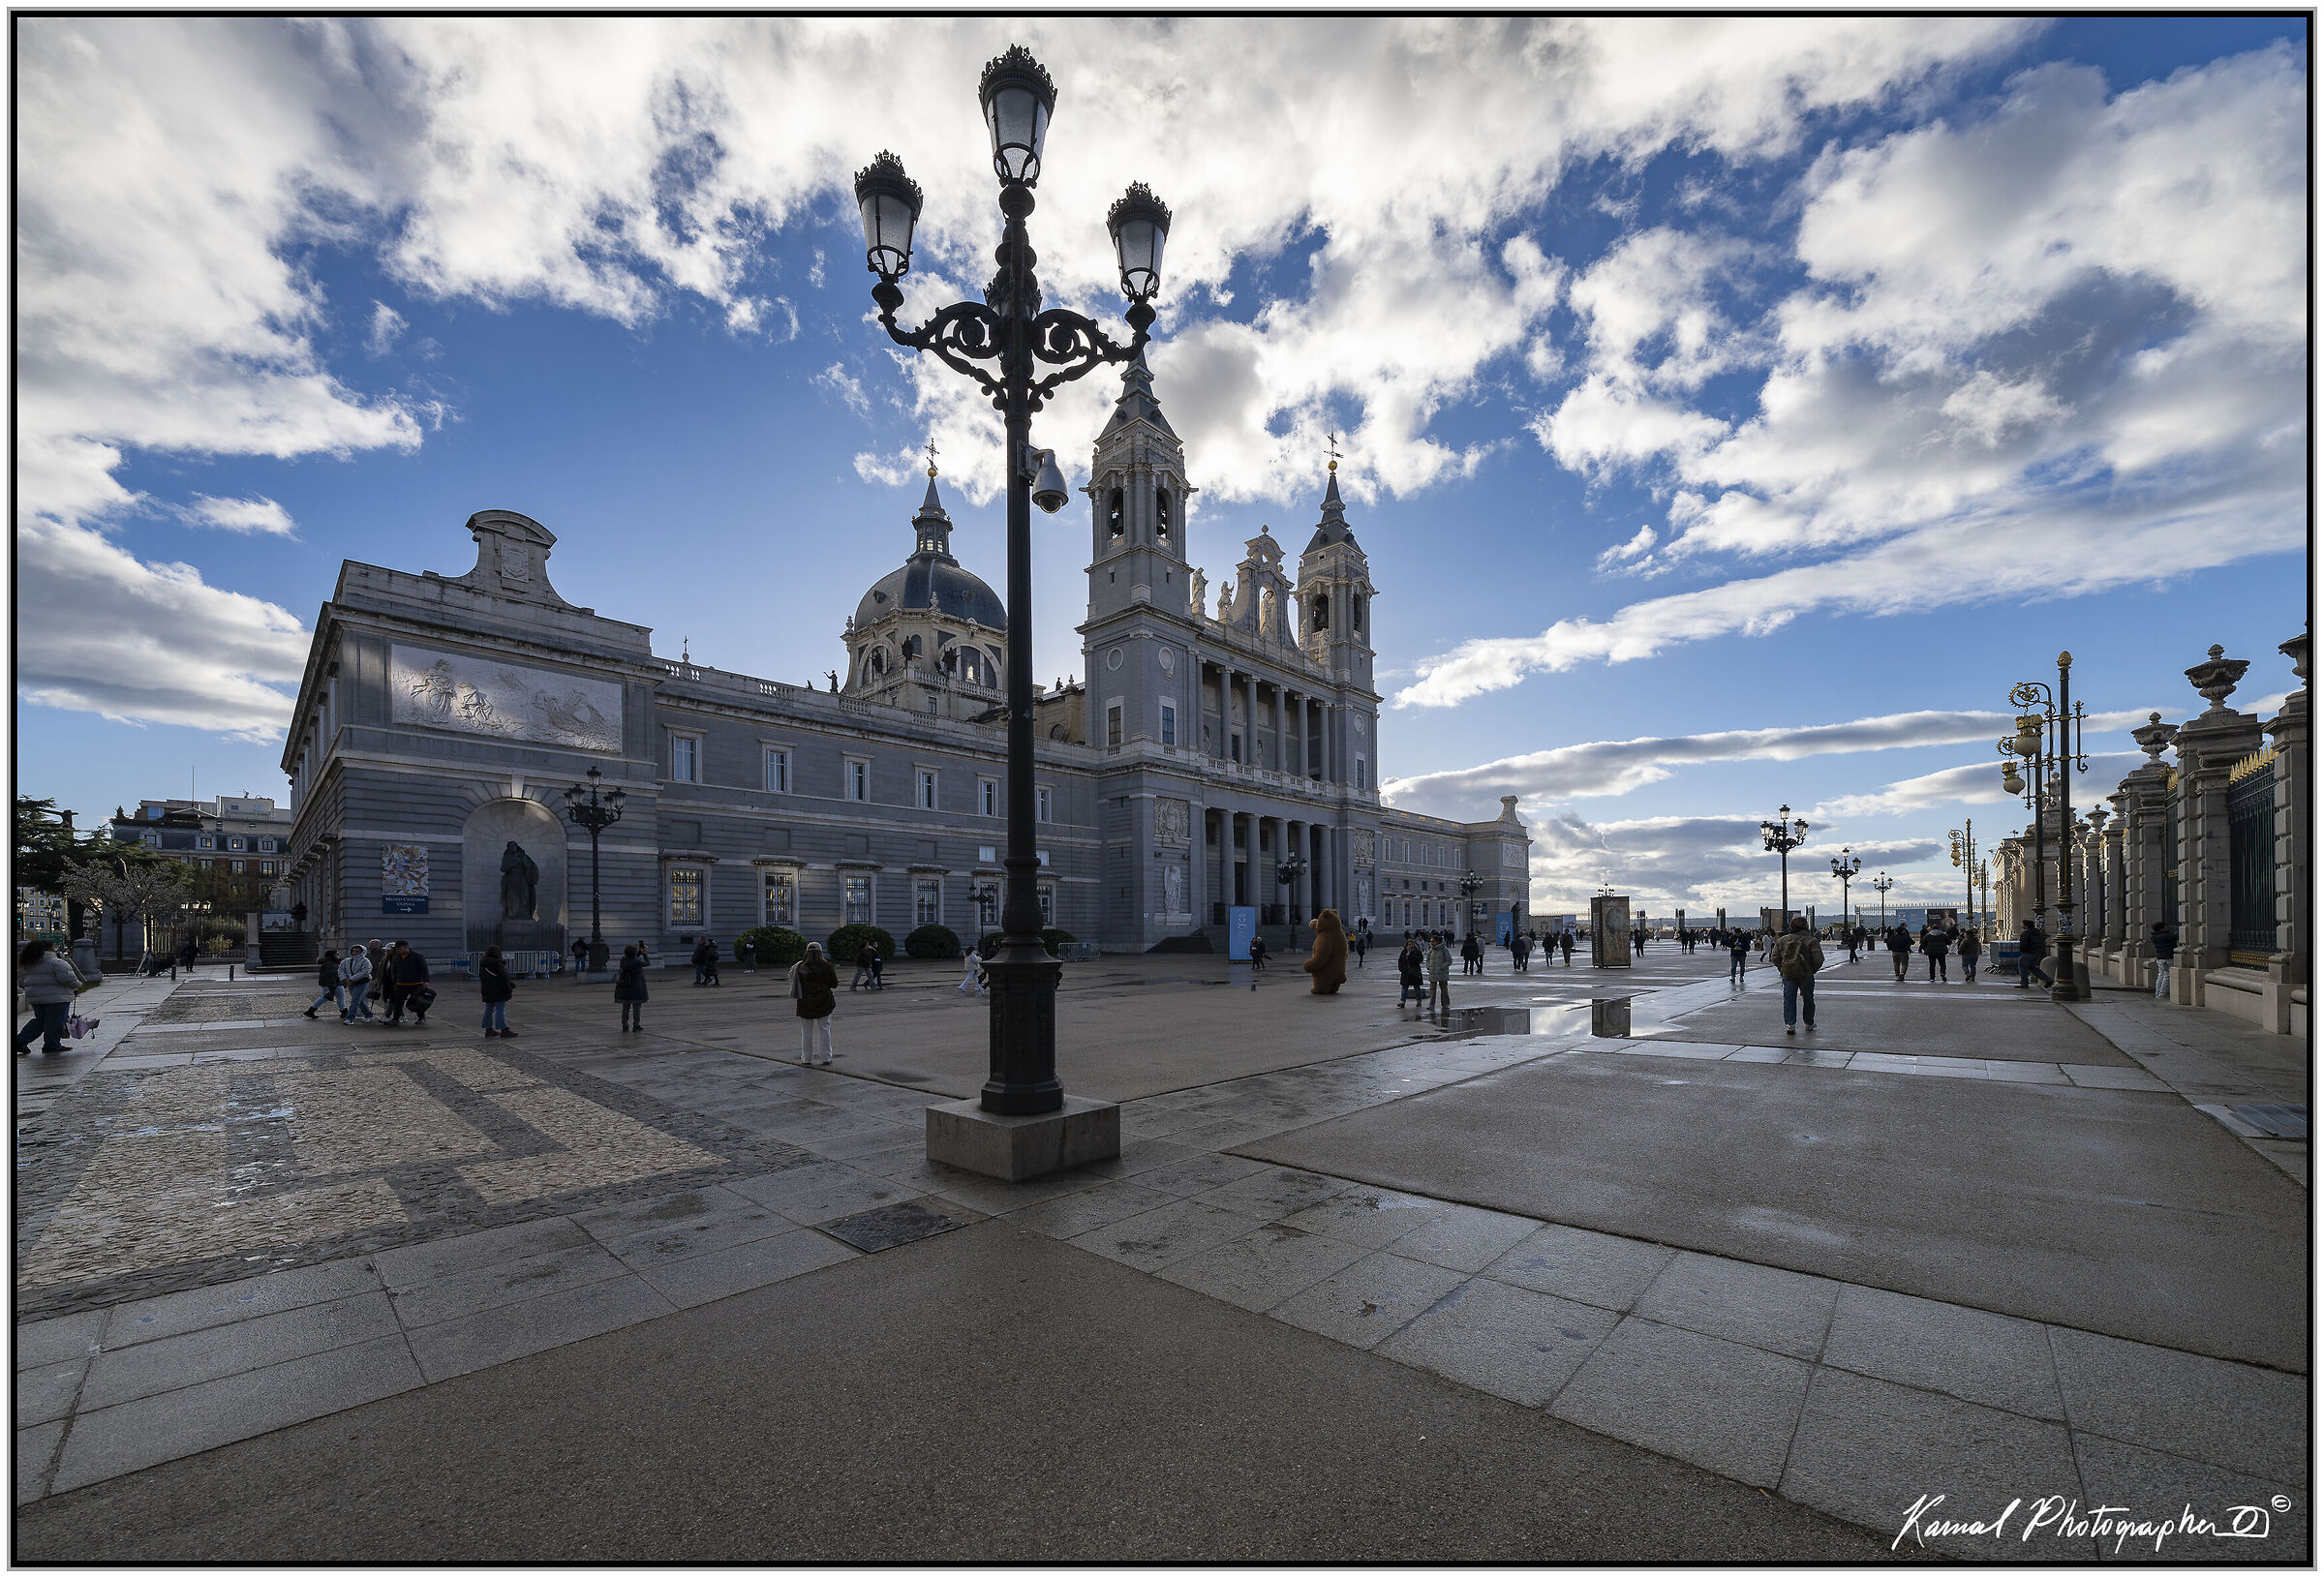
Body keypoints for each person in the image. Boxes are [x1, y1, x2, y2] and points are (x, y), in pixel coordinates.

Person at [15, 940, 86, 1057]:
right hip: (57, 998)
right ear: (49, 949)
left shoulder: (27, 964)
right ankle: (52, 1045)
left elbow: (23, 982)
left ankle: (20, 1040)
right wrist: (78, 985)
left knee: (40, 1021)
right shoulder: (56, 962)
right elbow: (69, 979)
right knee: (55, 1022)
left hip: (37, 999)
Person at [1770, 916, 1823, 1036]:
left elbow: (1775, 957)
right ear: (1806, 926)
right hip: (1806, 974)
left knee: (1789, 999)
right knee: (1808, 998)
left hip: (1788, 973)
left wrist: (1783, 968)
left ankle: (1790, 1024)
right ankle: (1809, 1023)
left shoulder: (1783, 940)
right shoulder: (1811, 940)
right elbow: (1819, 959)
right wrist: (1811, 970)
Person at [795, 941, 840, 1064]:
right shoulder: (827, 966)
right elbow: (834, 984)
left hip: (805, 1002)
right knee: (825, 1029)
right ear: (820, 952)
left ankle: (806, 1058)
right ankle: (826, 1057)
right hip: (824, 1001)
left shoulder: (800, 967)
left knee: (806, 1032)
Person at [1304, 908, 1348, 995]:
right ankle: (1334, 986)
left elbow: (1322, 956)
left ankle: (1321, 988)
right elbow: (1345, 953)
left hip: (1326, 972)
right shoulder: (1340, 935)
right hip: (1339, 970)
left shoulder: (1325, 937)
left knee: (1321, 985)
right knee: (1333, 984)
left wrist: (1310, 965)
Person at [477, 945, 517, 1037]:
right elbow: (504, 978)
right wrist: (509, 989)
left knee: (488, 1009)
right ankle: (504, 1029)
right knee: (500, 1010)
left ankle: (489, 1029)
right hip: (499, 991)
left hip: (487, 990)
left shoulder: (483, 964)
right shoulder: (498, 964)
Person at [615, 944, 649, 1031]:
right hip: (636, 988)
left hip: (625, 988)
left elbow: (632, 959)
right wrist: (644, 953)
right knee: (636, 1009)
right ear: (634, 953)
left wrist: (639, 952)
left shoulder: (623, 960)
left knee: (625, 1008)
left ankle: (625, 1025)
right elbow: (647, 963)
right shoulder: (637, 962)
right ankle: (636, 1025)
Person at [339, 944, 375, 1022]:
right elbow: (341, 970)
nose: (355, 953)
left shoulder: (365, 961)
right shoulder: (346, 961)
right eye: (354, 951)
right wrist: (345, 979)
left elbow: (365, 972)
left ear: (362, 952)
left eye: (357, 951)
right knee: (358, 1000)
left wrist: (351, 979)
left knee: (355, 1000)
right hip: (351, 982)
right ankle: (369, 1014)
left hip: (362, 982)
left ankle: (350, 1018)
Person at [304, 950, 342, 1019]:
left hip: (326, 984)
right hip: (334, 984)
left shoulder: (328, 963)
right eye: (337, 954)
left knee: (324, 998)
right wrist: (333, 987)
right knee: (340, 997)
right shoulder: (331, 964)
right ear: (333, 955)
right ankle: (344, 1012)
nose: (338, 955)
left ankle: (310, 1011)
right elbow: (330, 976)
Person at [2018, 921, 2055, 988]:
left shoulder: (2025, 933)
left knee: (2022, 967)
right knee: (2032, 968)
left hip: (2028, 953)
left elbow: (2024, 945)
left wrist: (2021, 949)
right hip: (2037, 953)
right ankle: (2048, 979)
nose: (2021, 925)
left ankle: (2024, 983)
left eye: (2022, 924)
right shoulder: (2038, 933)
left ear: (2026, 926)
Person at [2151, 920, 2179, 998]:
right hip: (2167, 958)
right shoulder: (2164, 936)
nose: (2168, 927)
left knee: (2161, 976)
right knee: (2167, 975)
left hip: (2160, 958)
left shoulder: (2154, 936)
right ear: (2161, 928)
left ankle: (2158, 993)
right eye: (2165, 926)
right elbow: (2175, 935)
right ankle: (2162, 994)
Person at [1425, 931, 1453, 1011]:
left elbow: (1449, 961)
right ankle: (1431, 1005)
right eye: (1431, 941)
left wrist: (1442, 967)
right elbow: (1427, 960)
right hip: (1433, 973)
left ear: (1437, 942)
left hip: (1442, 973)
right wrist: (1428, 966)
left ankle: (1445, 1004)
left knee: (1444, 990)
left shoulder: (1444, 950)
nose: (1431, 943)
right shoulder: (1431, 950)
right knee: (1432, 990)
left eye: (1433, 941)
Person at [1396, 934, 1424, 1007]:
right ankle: (1402, 1001)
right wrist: (1402, 968)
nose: (1411, 945)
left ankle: (1419, 1001)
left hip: (1415, 972)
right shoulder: (1404, 952)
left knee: (1417, 988)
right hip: (1406, 973)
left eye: (1412, 944)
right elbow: (1400, 961)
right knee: (1404, 988)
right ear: (1406, 945)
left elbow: (1420, 959)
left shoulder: (1417, 952)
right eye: (1409, 944)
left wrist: (1411, 955)